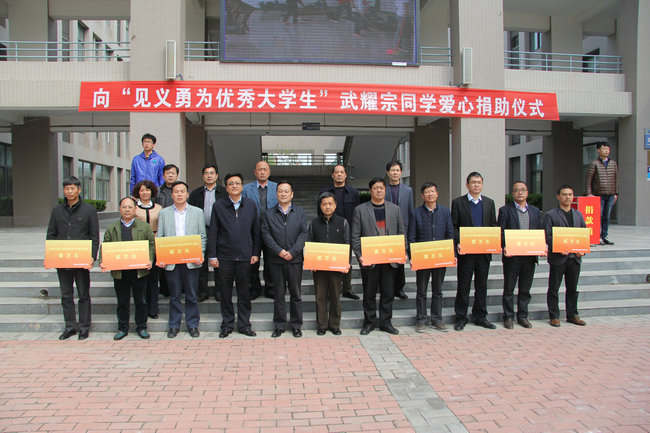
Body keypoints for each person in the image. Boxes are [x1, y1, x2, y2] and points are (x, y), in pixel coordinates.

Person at [46, 176, 99, 341]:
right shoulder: (56, 211)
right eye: (67, 188)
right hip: (62, 259)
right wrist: (50, 256)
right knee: (66, 295)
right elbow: (51, 234)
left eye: (73, 188)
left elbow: (94, 236)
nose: (70, 191)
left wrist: (92, 256)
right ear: (64, 191)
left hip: (81, 259)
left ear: (79, 190)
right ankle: (69, 327)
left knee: (83, 294)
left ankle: (84, 327)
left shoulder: (89, 210)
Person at [208, 173, 261, 338]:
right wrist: (212, 255)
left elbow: (256, 231)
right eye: (231, 183)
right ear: (226, 187)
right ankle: (227, 324)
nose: (234, 186)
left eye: (237, 183)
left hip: (245, 257)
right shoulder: (218, 206)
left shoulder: (251, 205)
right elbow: (213, 232)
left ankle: (244, 325)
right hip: (224, 257)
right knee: (225, 293)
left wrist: (256, 253)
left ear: (242, 186)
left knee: (244, 293)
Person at [351, 177, 406, 336]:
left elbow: (401, 233)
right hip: (370, 260)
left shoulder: (395, 209)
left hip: (389, 260)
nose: (379, 190)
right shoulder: (360, 210)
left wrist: (402, 252)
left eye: (381, 188)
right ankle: (369, 323)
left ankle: (386, 323)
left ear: (385, 190)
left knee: (388, 293)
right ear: (370, 191)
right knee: (369, 293)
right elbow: (355, 236)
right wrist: (360, 255)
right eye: (375, 188)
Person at [100, 197, 155, 340]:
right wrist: (103, 261)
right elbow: (105, 247)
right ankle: (122, 328)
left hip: (139, 271)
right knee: (122, 302)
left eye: (130, 207)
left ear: (135, 209)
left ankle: (141, 327)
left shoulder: (144, 226)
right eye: (124, 207)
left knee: (141, 301)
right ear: (120, 209)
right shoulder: (112, 228)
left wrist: (150, 259)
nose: (127, 210)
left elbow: (151, 244)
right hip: (120, 272)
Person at [157, 181, 206, 338]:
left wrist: (200, 254)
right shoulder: (164, 213)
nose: (179, 194)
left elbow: (202, 236)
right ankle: (174, 325)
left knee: (192, 294)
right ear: (172, 195)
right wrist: (161, 257)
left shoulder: (197, 212)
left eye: (182, 191)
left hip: (191, 260)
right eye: (176, 192)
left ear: (187, 194)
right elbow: (160, 237)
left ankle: (193, 325)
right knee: (174, 295)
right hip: (171, 261)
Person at [451, 172, 498, 331]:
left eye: (479, 182)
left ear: (482, 184)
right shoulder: (458, 203)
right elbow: (454, 226)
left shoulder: (489, 203)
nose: (476, 185)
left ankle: (480, 316)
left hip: (483, 253)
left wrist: (494, 242)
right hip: (466, 253)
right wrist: (458, 242)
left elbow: (493, 226)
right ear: (467, 185)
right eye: (473, 182)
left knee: (481, 285)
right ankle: (461, 317)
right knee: (463, 285)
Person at [262, 181, 308, 338]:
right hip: (276, 260)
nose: (283, 194)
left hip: (294, 260)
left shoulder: (300, 212)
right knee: (279, 294)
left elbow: (303, 233)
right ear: (276, 194)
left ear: (292, 194)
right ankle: (279, 325)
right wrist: (279, 251)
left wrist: (293, 252)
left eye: (286, 191)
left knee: (296, 294)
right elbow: (266, 234)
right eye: (280, 191)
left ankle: (296, 325)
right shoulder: (268, 214)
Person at [497, 181, 544, 329]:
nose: (520, 192)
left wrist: (542, 246)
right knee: (509, 288)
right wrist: (504, 245)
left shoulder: (535, 211)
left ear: (527, 192)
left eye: (523, 189)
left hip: (529, 256)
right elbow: (500, 232)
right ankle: (508, 316)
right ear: (512, 194)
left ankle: (523, 316)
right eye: (516, 190)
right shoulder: (505, 210)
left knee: (525, 288)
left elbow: (539, 231)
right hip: (512, 257)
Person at [407, 182, 453, 332]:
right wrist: (412, 256)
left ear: (437, 194)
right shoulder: (416, 213)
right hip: (423, 258)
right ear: (422, 195)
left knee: (438, 290)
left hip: (440, 256)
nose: (430, 194)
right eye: (427, 192)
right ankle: (421, 320)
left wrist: (451, 253)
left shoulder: (445, 212)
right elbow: (411, 237)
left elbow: (450, 234)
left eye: (432, 191)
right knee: (421, 290)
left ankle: (437, 319)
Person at [544, 184, 588, 328]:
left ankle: (572, 315)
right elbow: (547, 236)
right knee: (554, 288)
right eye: (564, 194)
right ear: (558, 197)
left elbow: (583, 234)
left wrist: (582, 249)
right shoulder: (551, 215)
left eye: (570, 194)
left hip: (574, 258)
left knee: (572, 288)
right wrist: (558, 247)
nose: (567, 197)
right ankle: (554, 316)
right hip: (558, 258)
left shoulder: (578, 215)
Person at [308, 192, 351, 336]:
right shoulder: (314, 223)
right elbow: (309, 242)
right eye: (324, 204)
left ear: (335, 205)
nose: (327, 207)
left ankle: (334, 325)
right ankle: (321, 325)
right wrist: (311, 262)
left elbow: (347, 243)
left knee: (335, 296)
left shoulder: (343, 222)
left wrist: (346, 263)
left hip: (337, 266)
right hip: (319, 267)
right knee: (320, 297)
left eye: (330, 203)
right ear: (320, 206)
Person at [319, 164, 360, 300]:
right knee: (329, 261)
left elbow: (357, 214)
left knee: (346, 261)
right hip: (328, 230)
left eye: (342, 172)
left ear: (346, 175)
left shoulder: (353, 192)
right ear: (332, 175)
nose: (339, 174)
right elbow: (320, 211)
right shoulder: (325, 191)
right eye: (336, 172)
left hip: (347, 231)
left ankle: (347, 289)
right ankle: (329, 290)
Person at [189, 163, 228, 303]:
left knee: (220, 262)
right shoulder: (195, 193)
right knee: (201, 262)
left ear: (216, 176)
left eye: (212, 173)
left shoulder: (224, 192)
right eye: (206, 173)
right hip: (201, 230)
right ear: (203, 176)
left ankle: (219, 291)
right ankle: (202, 292)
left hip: (220, 231)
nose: (209, 176)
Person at [242, 161, 278, 299]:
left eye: (265, 169)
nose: (262, 172)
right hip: (252, 231)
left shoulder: (277, 187)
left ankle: (270, 287)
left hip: (271, 231)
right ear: (255, 172)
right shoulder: (246, 189)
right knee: (252, 262)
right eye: (260, 169)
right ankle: (254, 288)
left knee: (270, 262)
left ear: (269, 172)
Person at [133, 180, 163, 319]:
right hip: (138, 245)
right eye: (142, 190)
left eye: (147, 190)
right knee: (140, 279)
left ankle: (153, 309)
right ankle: (142, 309)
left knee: (153, 279)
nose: (145, 193)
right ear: (138, 192)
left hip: (155, 244)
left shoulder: (159, 208)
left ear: (152, 191)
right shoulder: (133, 208)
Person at [385, 161, 414, 300]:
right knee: (387, 260)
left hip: (403, 228)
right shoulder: (383, 189)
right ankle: (387, 287)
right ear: (388, 173)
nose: (395, 172)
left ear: (401, 172)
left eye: (397, 170)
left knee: (400, 260)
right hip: (387, 228)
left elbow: (410, 210)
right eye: (392, 170)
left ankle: (399, 288)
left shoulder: (408, 190)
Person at [585, 143, 619, 245]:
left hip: (610, 194)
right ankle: (597, 237)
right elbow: (588, 179)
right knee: (598, 216)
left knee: (606, 216)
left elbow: (616, 178)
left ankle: (604, 236)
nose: (606, 151)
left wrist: (616, 193)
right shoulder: (594, 163)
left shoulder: (613, 163)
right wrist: (588, 193)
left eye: (608, 149)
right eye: (604, 149)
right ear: (598, 150)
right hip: (598, 194)